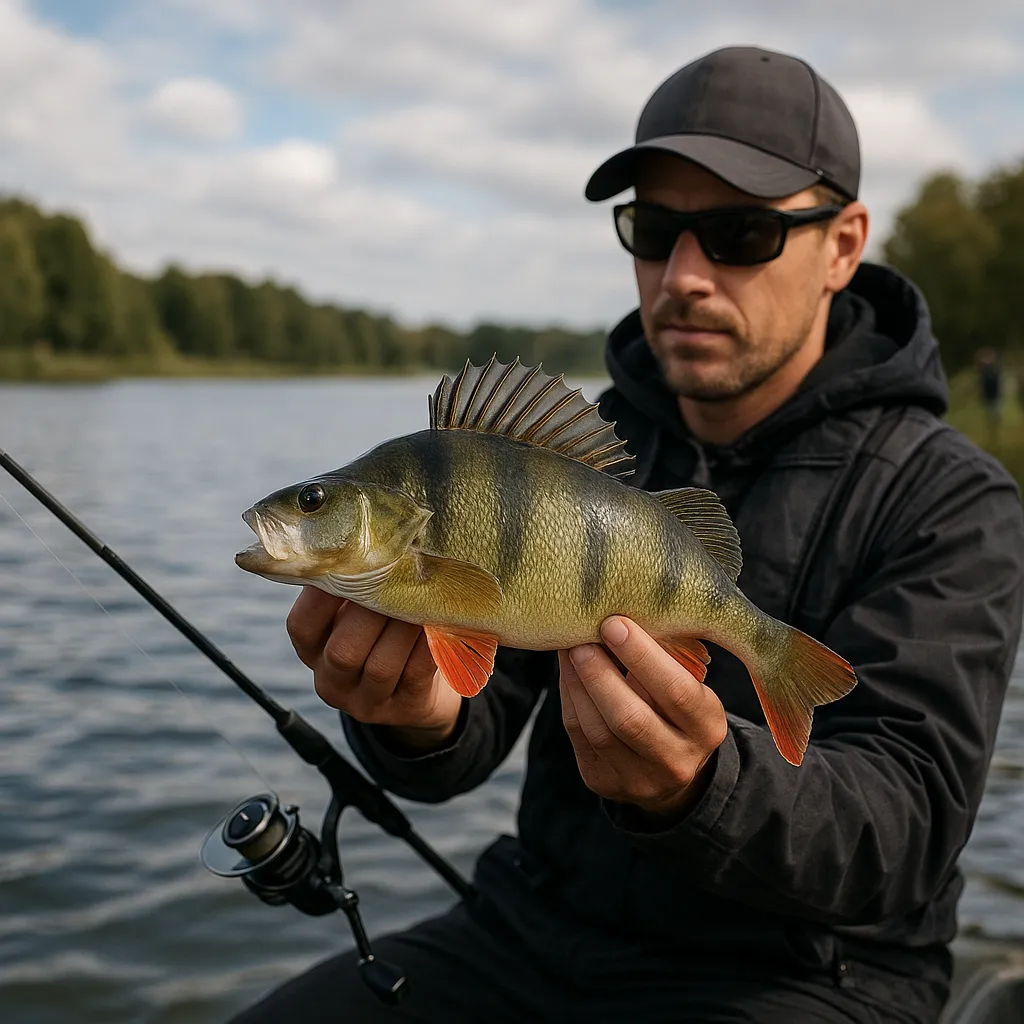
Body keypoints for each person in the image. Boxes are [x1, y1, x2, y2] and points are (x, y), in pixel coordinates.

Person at [230, 46, 1024, 1023]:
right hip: (534, 930)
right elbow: (468, 728)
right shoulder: (584, 450)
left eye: (737, 232)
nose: (684, 275)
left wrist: (703, 786)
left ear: (844, 244)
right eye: (653, 229)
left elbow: (902, 834)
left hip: (802, 980)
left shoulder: (949, 500)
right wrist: (413, 716)